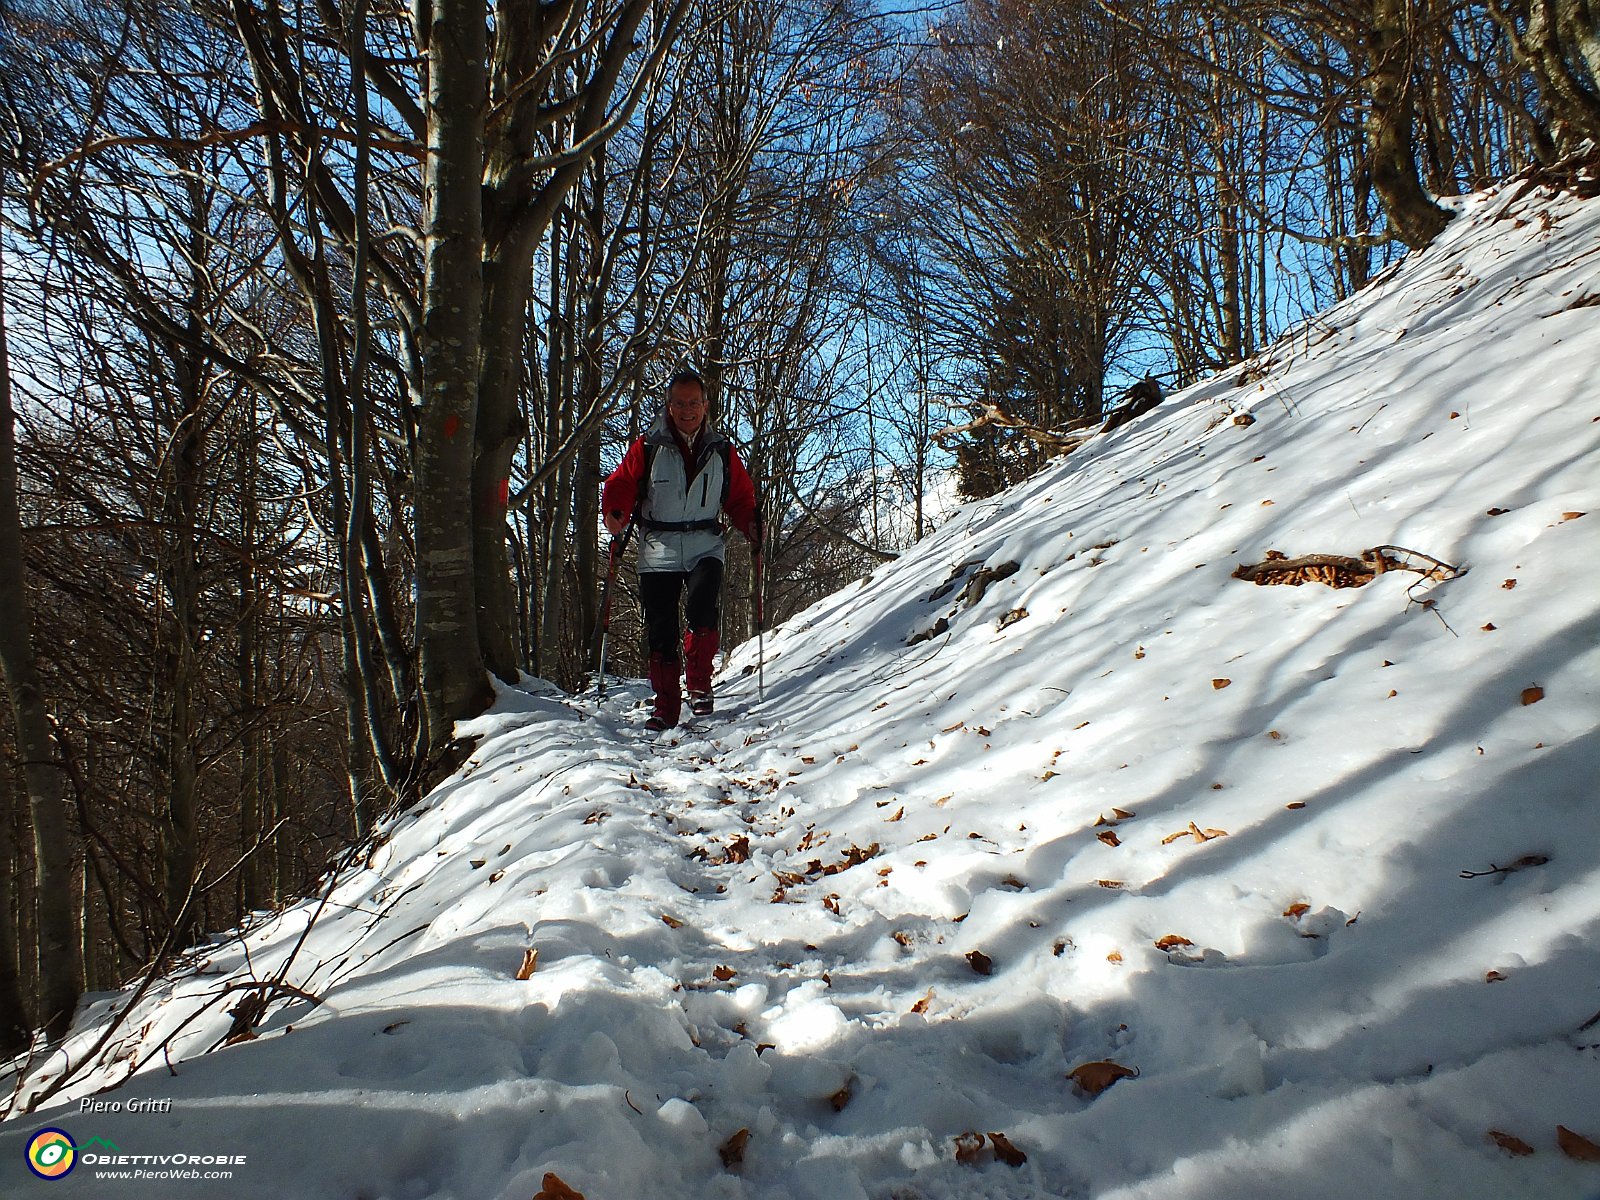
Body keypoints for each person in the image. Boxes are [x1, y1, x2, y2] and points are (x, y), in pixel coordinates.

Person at [602, 368, 760, 730]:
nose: (687, 410)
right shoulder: (648, 446)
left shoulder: (721, 450)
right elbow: (621, 483)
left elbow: (739, 497)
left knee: (702, 609)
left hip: (705, 542)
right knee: (661, 629)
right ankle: (666, 705)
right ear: (669, 406)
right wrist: (616, 511)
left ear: (705, 405)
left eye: (694, 403)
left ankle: (700, 685)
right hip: (658, 547)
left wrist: (750, 523)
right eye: (679, 403)